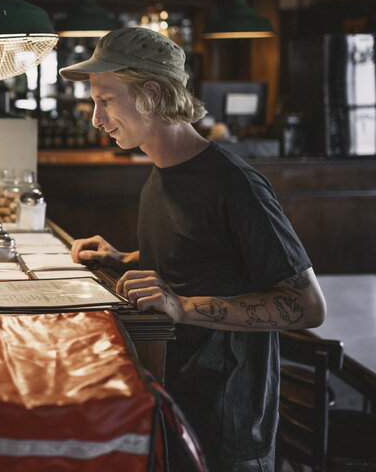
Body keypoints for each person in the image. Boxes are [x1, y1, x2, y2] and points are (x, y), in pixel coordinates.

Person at [60, 27, 327, 472]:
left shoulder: (235, 184)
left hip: (227, 424)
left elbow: (306, 306)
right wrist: (120, 258)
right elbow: (199, 260)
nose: (96, 119)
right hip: (177, 399)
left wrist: (181, 306)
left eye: (105, 100)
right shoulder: (163, 171)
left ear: (150, 93)